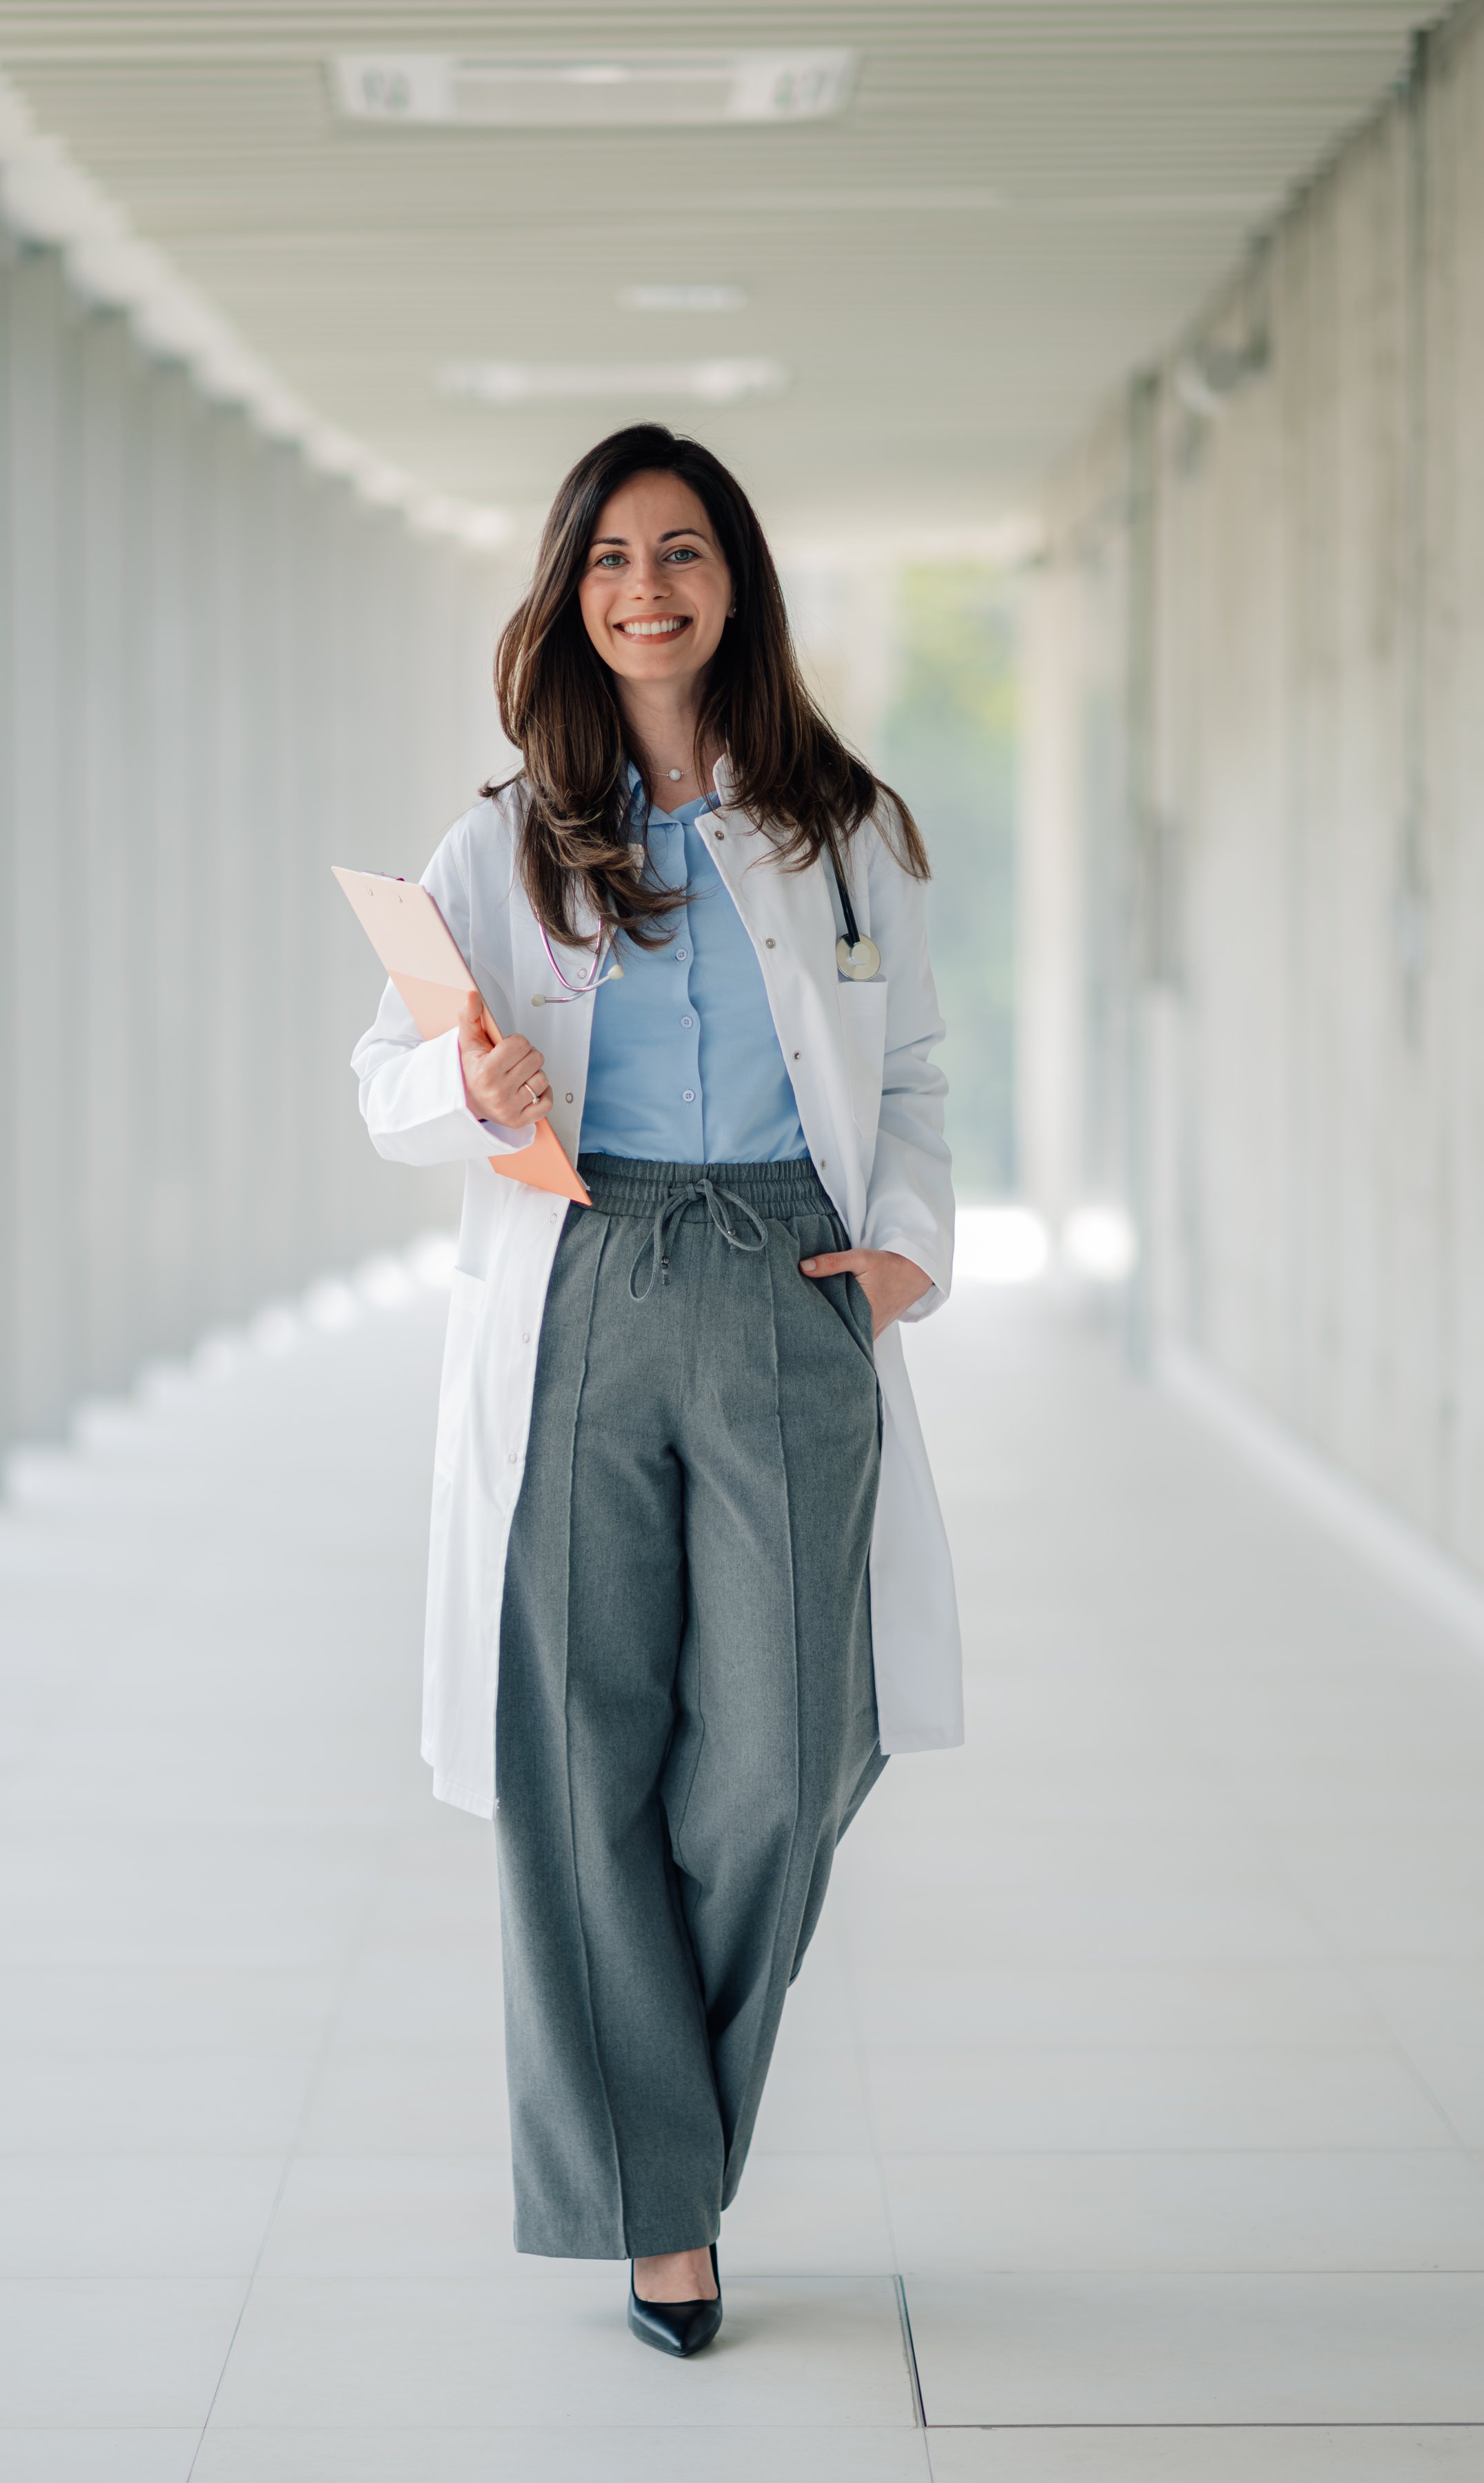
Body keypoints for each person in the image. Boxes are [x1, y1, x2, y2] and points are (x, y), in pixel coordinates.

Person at [352, 423, 961, 2357]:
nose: (646, 589)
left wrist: (908, 1254)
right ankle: (660, 2208)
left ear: (736, 583)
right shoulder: (501, 836)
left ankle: (651, 2128)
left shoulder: (847, 824)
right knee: (577, 1748)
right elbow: (380, 1080)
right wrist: (470, 1085)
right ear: (568, 593)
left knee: (788, 1751)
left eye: (681, 552)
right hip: (586, 1281)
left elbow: (920, 1068)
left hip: (790, 1283)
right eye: (610, 558)